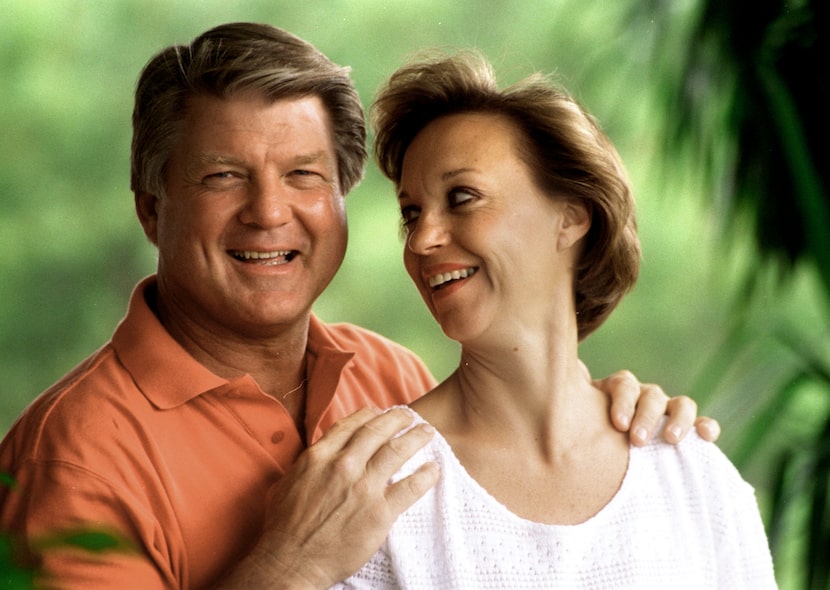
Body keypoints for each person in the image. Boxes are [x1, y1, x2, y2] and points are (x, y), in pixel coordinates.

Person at [0, 23, 719, 589]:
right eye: (223, 177)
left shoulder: (389, 377)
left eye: (304, 175)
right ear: (152, 211)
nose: (269, 212)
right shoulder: (71, 462)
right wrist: (289, 569)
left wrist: (612, 419)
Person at [337, 51, 776, 588]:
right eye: (411, 213)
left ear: (569, 217)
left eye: (462, 198)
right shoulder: (377, 488)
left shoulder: (692, 476)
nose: (424, 240)